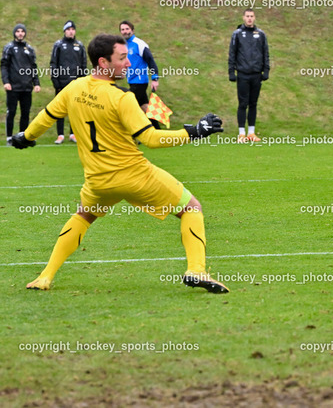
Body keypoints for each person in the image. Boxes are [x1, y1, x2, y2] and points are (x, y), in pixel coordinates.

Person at [11, 33, 228, 293]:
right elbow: (151, 139)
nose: (128, 63)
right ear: (103, 62)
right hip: (135, 176)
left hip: (98, 182)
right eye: (122, 58)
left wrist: (26, 137)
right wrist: (194, 132)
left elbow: (45, 117)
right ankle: (196, 271)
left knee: (83, 216)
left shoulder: (74, 89)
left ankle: (45, 277)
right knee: (191, 208)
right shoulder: (122, 98)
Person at [228, 8, 270, 143]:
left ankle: (251, 132)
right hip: (243, 74)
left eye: (251, 16)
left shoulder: (261, 34)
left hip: (256, 74)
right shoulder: (237, 34)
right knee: (243, 103)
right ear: (243, 18)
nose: (249, 18)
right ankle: (241, 133)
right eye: (247, 16)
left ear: (254, 17)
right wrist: (231, 71)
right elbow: (232, 53)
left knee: (253, 103)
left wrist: (266, 70)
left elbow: (265, 53)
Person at [2, 24, 40, 146]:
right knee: (11, 112)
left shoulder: (29, 49)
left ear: (25, 33)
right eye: (18, 31)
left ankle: (22, 137)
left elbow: (33, 67)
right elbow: (4, 66)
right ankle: (9, 138)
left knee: (25, 113)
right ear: (14, 33)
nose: (20, 33)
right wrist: (6, 82)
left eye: (22, 31)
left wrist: (36, 83)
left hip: (26, 87)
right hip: (13, 87)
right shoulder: (9, 47)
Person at [50, 20, 87, 144]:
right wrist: (56, 82)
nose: (71, 32)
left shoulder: (79, 45)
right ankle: (60, 135)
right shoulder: (58, 45)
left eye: (72, 29)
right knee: (60, 109)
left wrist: (82, 81)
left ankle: (73, 134)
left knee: (75, 109)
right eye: (68, 29)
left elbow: (83, 65)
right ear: (64, 31)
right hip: (62, 83)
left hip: (76, 83)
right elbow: (53, 64)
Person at [119, 20, 161, 129]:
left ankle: (130, 132)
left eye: (127, 29)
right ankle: (157, 130)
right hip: (132, 81)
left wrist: (155, 79)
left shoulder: (139, 44)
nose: (125, 31)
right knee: (145, 108)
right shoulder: (124, 45)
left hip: (140, 82)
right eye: (122, 29)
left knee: (127, 105)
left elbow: (150, 60)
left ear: (132, 30)